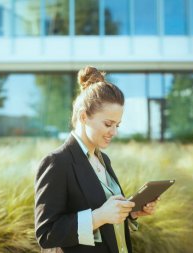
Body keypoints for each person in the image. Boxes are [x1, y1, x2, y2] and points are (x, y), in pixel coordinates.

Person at [34, 66, 158, 253]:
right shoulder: (57, 162)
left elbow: (106, 217)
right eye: (108, 124)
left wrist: (131, 213)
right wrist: (98, 216)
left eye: (117, 125)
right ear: (84, 117)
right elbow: (47, 233)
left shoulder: (103, 160)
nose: (114, 132)